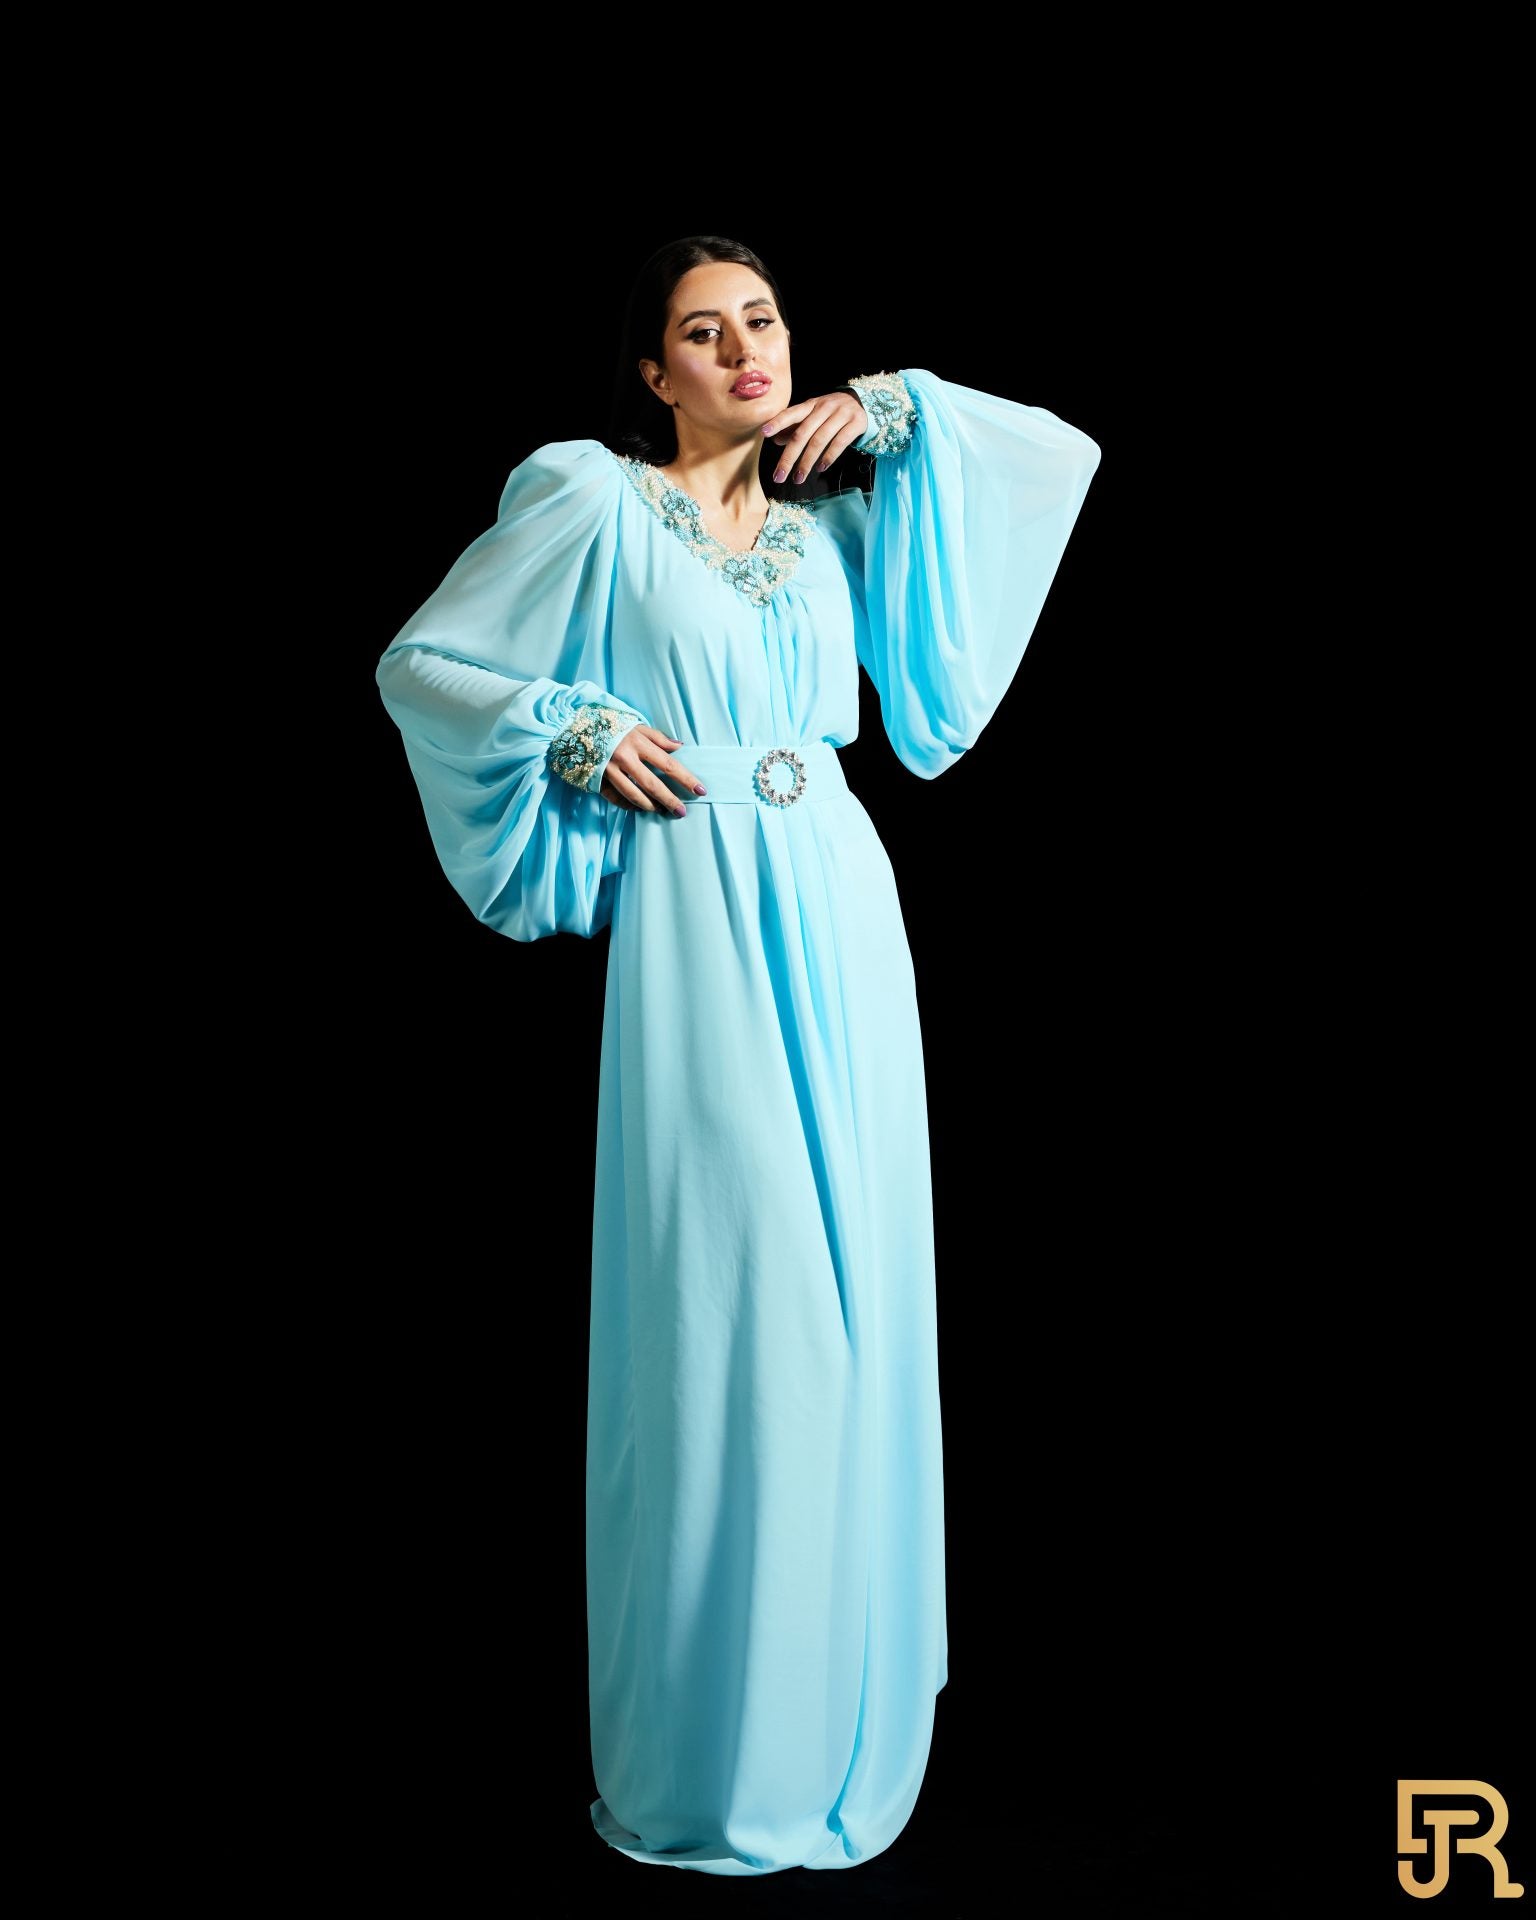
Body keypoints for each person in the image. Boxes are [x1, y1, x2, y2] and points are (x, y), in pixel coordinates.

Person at [375, 234, 1101, 1875]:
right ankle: (715, 1758)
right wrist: (573, 726)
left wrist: (903, 406)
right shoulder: (592, 500)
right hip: (699, 912)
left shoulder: (837, 526)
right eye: (703, 333)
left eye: (762, 321)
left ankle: (834, 1725)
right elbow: (423, 663)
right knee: (736, 1308)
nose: (746, 351)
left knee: (853, 1307)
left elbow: (1052, 462)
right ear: (654, 372)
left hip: (840, 897)